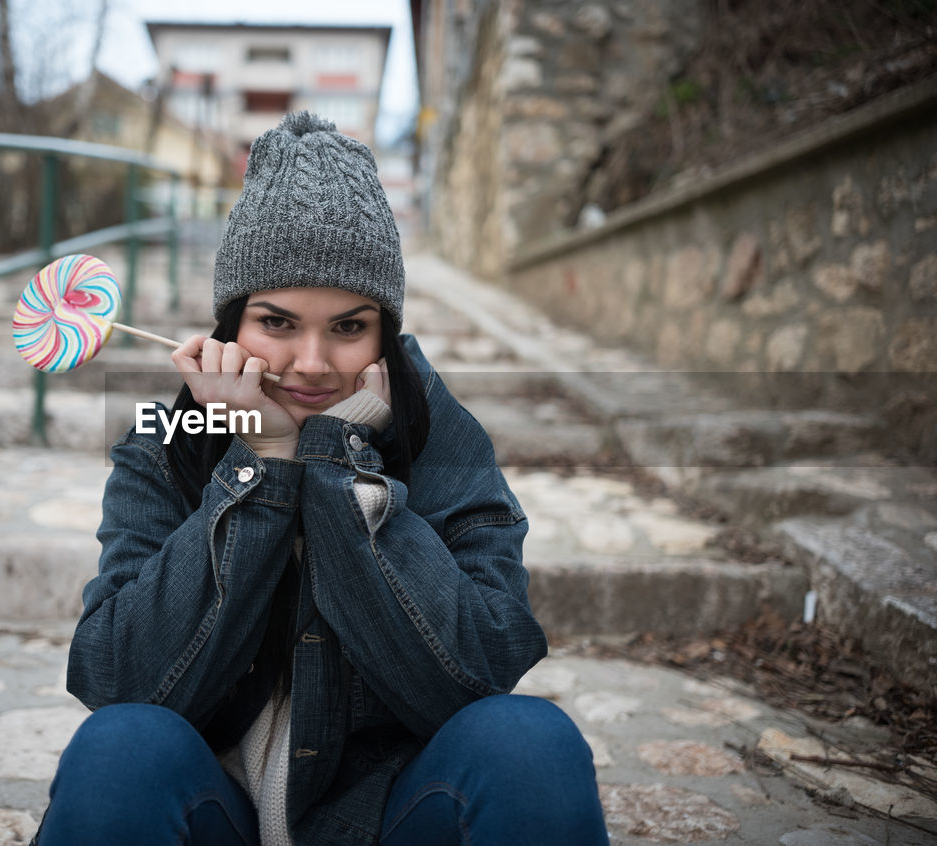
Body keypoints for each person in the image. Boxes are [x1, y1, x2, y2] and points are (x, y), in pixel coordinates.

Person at [33, 112, 608, 845]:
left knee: (530, 745)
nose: (311, 362)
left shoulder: (439, 433)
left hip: (384, 817)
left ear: (384, 332)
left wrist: (340, 469)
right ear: (231, 325)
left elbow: (476, 677)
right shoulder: (165, 442)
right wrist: (260, 465)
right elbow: (119, 683)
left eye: (347, 327)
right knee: (120, 753)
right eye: (276, 322)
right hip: (214, 816)